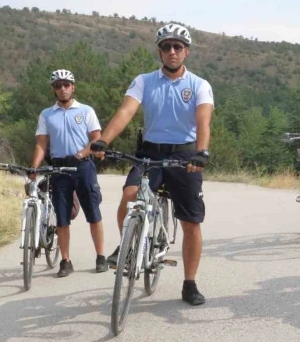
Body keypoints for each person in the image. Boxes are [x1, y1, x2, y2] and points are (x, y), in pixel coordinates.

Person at [91, 24, 213, 306]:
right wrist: (104, 141)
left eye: (178, 47)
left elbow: (203, 121)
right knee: (129, 195)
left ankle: (189, 283)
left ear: (186, 52)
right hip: (150, 154)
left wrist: (202, 152)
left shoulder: (199, 85)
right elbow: (126, 110)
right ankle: (130, 247)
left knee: (191, 223)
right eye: (167, 47)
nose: (172, 51)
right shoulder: (144, 81)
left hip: (185, 155)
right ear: (159, 51)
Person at [31, 69, 107, 277]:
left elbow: (96, 138)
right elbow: (41, 144)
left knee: (93, 213)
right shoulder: (47, 114)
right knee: (62, 218)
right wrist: (34, 168)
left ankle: (100, 256)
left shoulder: (86, 111)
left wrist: (83, 153)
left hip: (83, 167)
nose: (63, 89)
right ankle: (66, 260)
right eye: (58, 86)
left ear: (73, 87)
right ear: (54, 90)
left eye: (66, 85)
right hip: (59, 169)